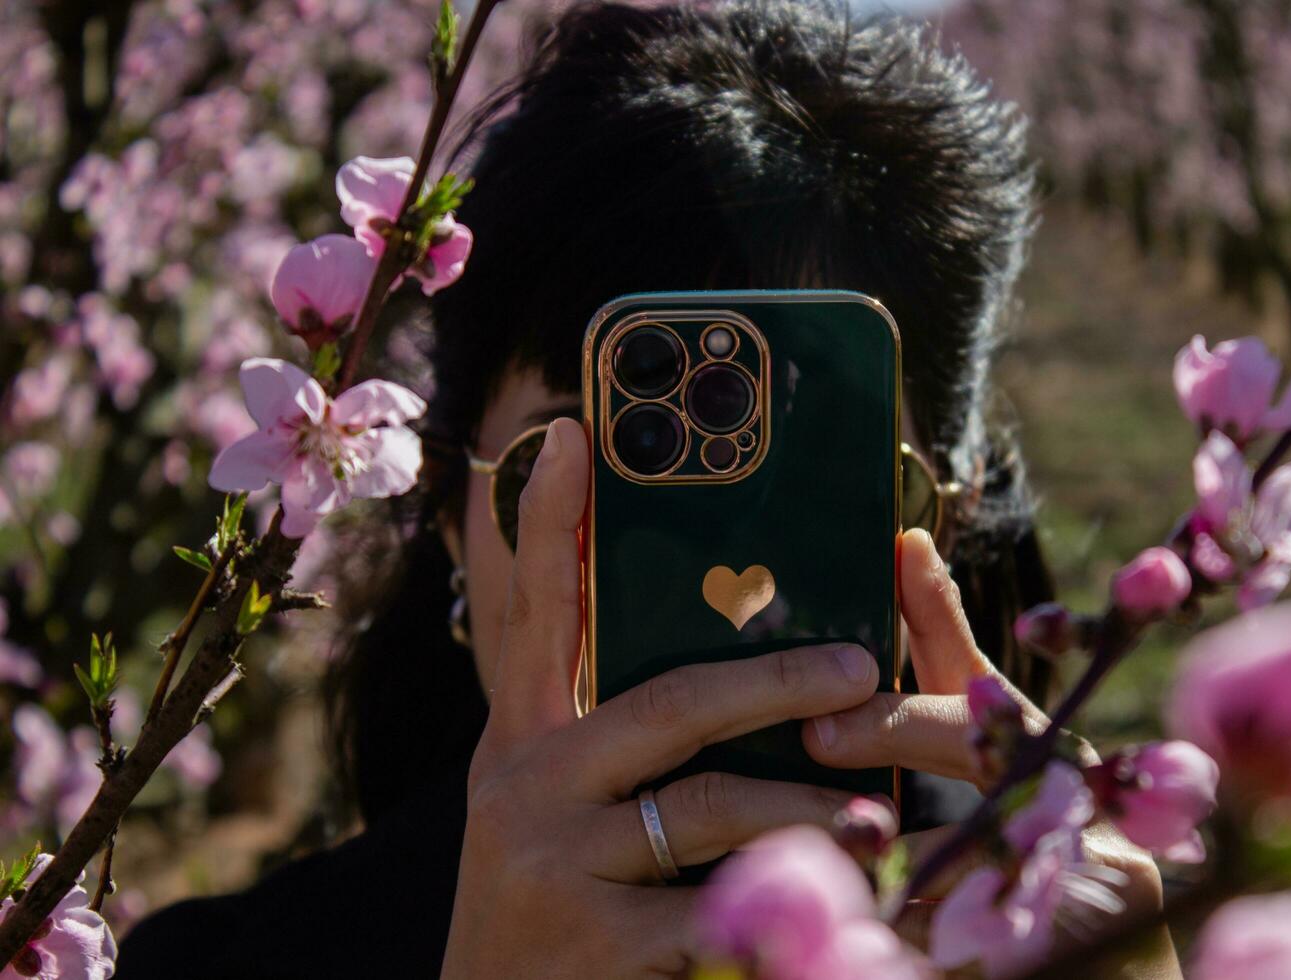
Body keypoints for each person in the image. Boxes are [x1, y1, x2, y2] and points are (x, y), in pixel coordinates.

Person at [117, 2, 1178, 976]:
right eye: (579, 467)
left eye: (814, 469)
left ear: (939, 518)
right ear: (446, 512)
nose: (702, 544)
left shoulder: (1052, 924)